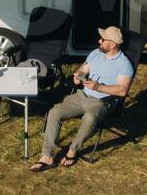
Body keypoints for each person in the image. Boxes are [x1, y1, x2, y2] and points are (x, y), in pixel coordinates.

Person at [30, 26, 132, 171]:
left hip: (102, 101)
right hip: (82, 96)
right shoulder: (96, 53)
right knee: (55, 112)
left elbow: (122, 90)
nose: (99, 40)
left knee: (90, 118)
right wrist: (78, 75)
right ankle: (47, 156)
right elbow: (84, 68)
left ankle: (72, 150)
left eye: (103, 39)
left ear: (113, 44)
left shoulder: (124, 64)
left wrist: (99, 87)